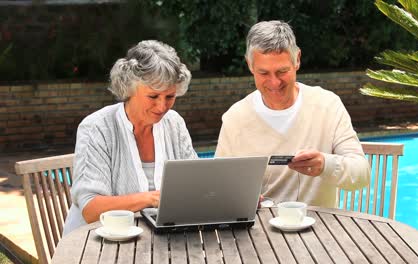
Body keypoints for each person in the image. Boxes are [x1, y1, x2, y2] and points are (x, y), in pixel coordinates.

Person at [215, 21, 370, 208]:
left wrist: (325, 165)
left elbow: (362, 175)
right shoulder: (235, 118)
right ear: (250, 65)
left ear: (297, 59)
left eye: (282, 71)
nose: (274, 82)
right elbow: (219, 185)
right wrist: (238, 198)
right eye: (263, 73)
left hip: (321, 231)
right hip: (259, 231)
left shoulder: (328, 105)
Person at [63, 40, 197, 234]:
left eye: (170, 97)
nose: (162, 107)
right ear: (129, 89)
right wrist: (151, 199)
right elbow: (91, 210)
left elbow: (194, 183)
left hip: (159, 239)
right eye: (153, 97)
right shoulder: (97, 128)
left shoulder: (174, 123)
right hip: (96, 243)